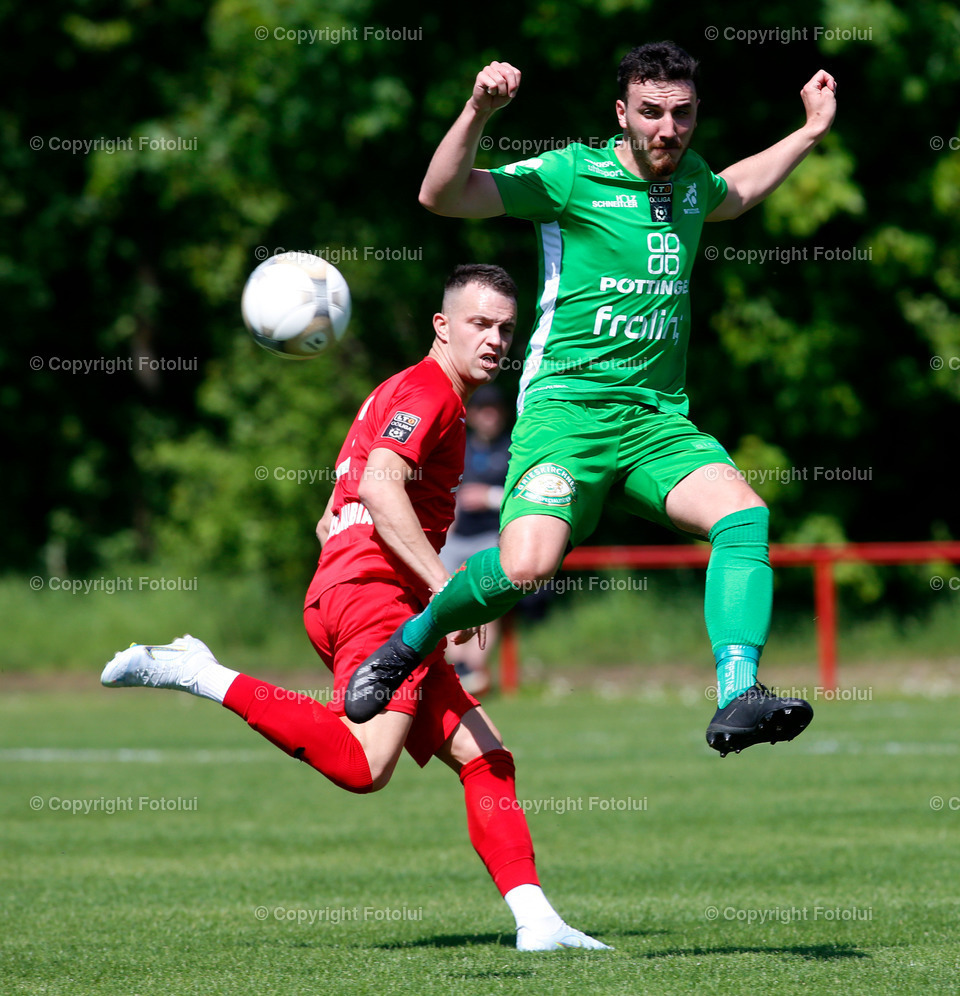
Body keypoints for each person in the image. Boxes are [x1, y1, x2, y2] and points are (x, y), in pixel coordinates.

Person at [101, 264, 610, 951]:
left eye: (506, 329)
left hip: (354, 588)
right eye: (479, 325)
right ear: (442, 326)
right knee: (367, 767)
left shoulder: (398, 393)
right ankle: (200, 673)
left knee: (487, 757)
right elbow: (378, 483)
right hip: (377, 599)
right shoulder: (428, 392)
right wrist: (441, 584)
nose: (495, 341)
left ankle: (538, 923)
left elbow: (330, 514)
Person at [348, 42, 837, 756]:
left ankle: (738, 693)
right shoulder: (571, 174)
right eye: (651, 113)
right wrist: (479, 110)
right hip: (565, 415)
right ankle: (410, 643)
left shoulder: (692, 182)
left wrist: (809, 132)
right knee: (526, 567)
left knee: (743, 518)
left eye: (682, 114)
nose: (667, 129)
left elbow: (738, 192)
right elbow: (442, 195)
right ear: (622, 114)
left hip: (655, 422)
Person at [438, 383, 513, 695]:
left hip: (492, 536)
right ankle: (458, 669)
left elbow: (527, 495)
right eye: (483, 409)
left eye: (494, 409)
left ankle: (475, 669)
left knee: (485, 600)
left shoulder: (514, 448)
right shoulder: (460, 446)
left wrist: (489, 497)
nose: (489, 415)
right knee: (446, 597)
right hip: (456, 537)